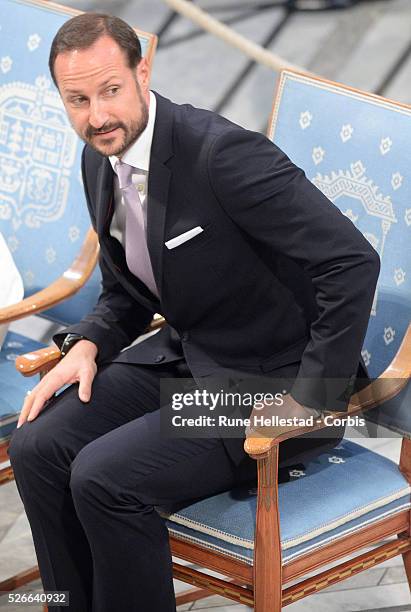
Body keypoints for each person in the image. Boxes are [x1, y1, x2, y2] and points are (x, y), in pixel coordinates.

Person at [8, 12, 380, 612]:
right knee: (36, 447)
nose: (97, 115)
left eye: (110, 91)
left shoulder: (224, 154)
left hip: (262, 384)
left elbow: (351, 261)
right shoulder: (99, 155)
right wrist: (87, 345)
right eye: (77, 99)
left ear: (142, 73)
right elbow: (125, 289)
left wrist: (312, 395)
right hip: (184, 359)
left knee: (103, 477)